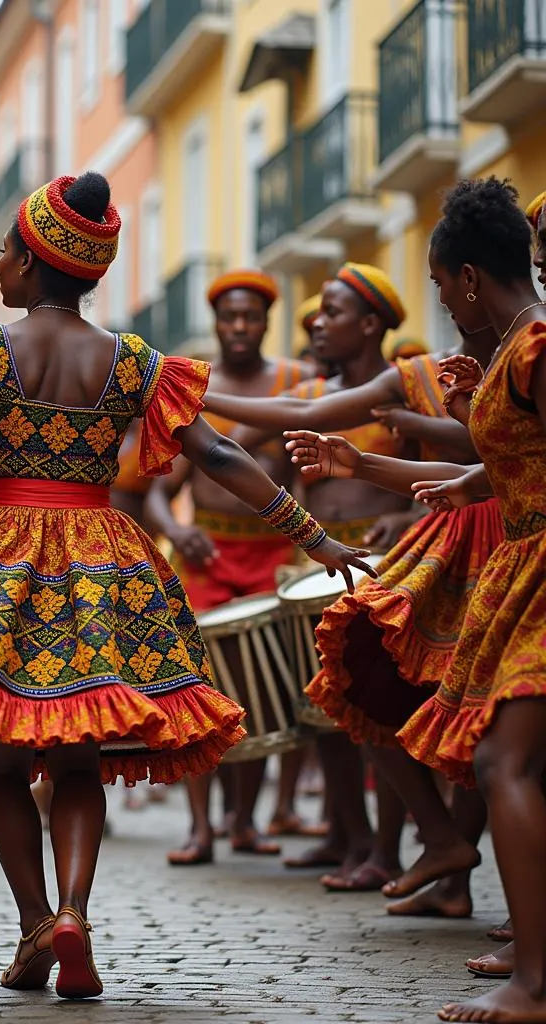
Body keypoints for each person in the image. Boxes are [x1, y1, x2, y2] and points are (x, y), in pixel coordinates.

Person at [0, 172, 373, 999]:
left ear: (31, 262)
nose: (0, 262)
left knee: (4, 760)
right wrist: (316, 536)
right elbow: (220, 456)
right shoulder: (133, 362)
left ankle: (36, 923)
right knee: (78, 756)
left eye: (8, 249)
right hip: (100, 558)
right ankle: (76, 911)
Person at [290, 178, 546, 1024]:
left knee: (504, 762)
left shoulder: (537, 348)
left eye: (440, 283)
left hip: (541, 568)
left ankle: (533, 982)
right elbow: (487, 470)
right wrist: (359, 465)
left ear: (469, 278)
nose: (439, 297)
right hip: (524, 568)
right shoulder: (515, 350)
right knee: (509, 760)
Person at [200, 283, 499, 906]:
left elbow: (498, 455)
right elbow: (285, 427)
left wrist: (401, 464)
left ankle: (433, 862)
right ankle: (395, 851)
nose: (319, 326)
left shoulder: (499, 360)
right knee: (350, 696)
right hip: (351, 552)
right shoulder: (407, 379)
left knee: (475, 717)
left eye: (333, 313)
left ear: (370, 325)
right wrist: (192, 395)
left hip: (443, 551)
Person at [146, 269, 312, 864]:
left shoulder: (295, 382)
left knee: (260, 690)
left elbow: (303, 479)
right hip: (207, 556)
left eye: (251, 317)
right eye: (229, 317)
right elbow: (159, 490)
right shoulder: (194, 386)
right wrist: (177, 529)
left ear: (267, 321)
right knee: (200, 691)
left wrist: (308, 543)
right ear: (216, 322)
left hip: (272, 557)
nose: (240, 327)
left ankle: (243, 820)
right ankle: (200, 828)